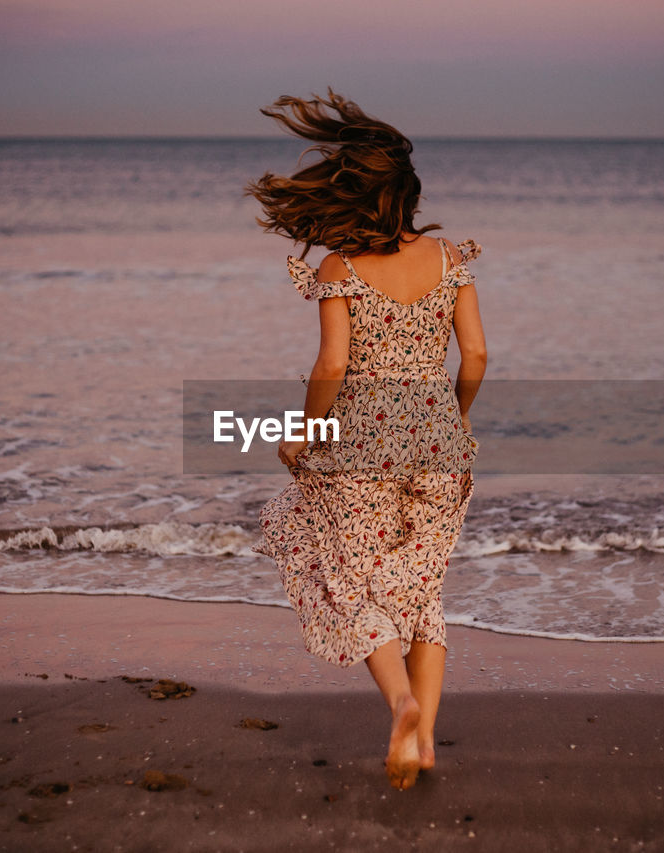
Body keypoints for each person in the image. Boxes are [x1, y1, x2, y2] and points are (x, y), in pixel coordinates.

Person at [247, 90, 487, 790]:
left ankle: (402, 705)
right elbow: (474, 357)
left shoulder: (340, 269)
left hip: (359, 444)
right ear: (409, 194)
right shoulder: (450, 260)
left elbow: (331, 367)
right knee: (423, 590)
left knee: (353, 579)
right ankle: (427, 740)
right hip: (439, 442)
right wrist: (457, 414)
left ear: (352, 195)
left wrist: (303, 430)